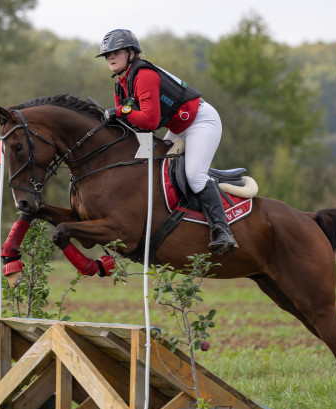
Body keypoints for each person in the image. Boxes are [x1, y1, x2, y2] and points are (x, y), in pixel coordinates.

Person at [96, 28, 236, 255]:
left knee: (194, 175)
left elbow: (150, 121)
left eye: (116, 52)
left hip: (200, 121)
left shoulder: (143, 75)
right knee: (147, 166)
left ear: (131, 53)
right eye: (107, 55)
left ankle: (222, 230)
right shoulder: (121, 84)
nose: (110, 57)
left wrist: (120, 111)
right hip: (177, 129)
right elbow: (133, 125)